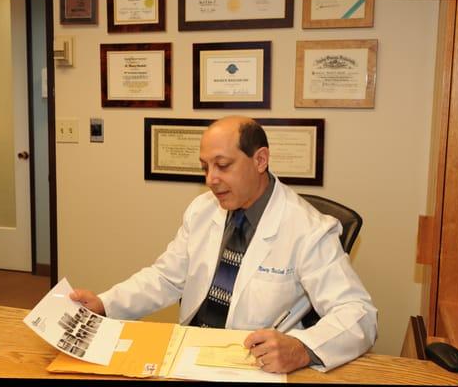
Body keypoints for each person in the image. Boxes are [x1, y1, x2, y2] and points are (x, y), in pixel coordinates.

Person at [71, 115, 377, 373]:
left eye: (222, 165)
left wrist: (302, 348)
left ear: (260, 160)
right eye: (205, 167)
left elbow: (358, 313)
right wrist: (105, 303)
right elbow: (166, 277)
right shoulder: (202, 209)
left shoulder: (308, 229)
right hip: (187, 355)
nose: (211, 179)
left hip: (251, 367)